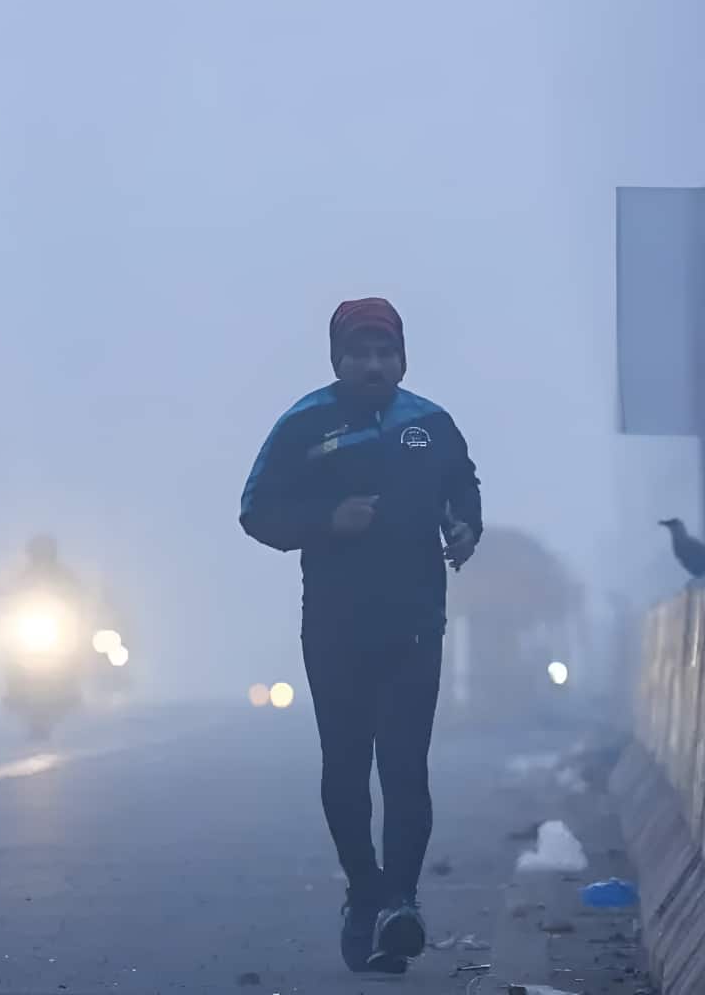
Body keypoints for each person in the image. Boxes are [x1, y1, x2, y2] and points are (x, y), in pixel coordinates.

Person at [239, 297, 482, 976]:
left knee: (405, 768)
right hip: (336, 629)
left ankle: (400, 902)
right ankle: (366, 894)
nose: (374, 366)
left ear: (402, 359)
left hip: (415, 625)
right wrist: (327, 520)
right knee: (346, 767)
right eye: (360, 354)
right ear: (337, 360)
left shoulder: (430, 424)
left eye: (385, 354)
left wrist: (466, 528)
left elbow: (462, 487)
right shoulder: (304, 423)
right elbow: (256, 510)